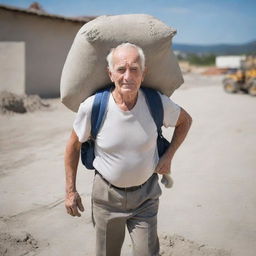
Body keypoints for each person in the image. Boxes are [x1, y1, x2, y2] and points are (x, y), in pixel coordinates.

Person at [64, 42, 192, 256]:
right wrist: (70, 191)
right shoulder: (94, 106)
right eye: (121, 69)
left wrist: (168, 156)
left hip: (146, 197)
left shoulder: (156, 103)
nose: (128, 76)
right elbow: (73, 146)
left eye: (134, 69)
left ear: (144, 73)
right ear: (110, 73)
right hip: (106, 198)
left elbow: (185, 121)